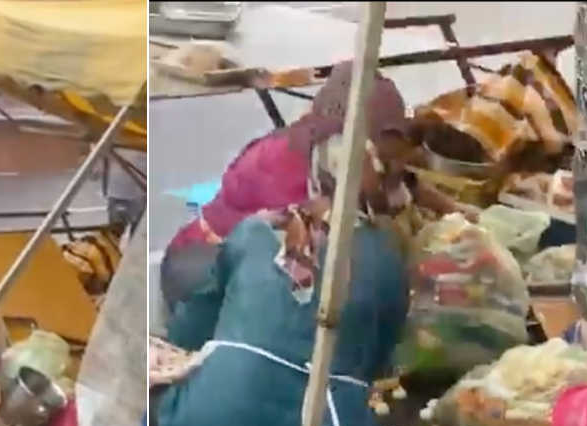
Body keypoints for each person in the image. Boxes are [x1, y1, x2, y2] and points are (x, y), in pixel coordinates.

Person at [148, 61, 429, 426]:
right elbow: (380, 363)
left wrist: (209, 356)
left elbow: (192, 331)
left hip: (220, 418)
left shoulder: (261, 229)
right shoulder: (386, 255)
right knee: (321, 422)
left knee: (164, 413)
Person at [159, 61, 464, 313]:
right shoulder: (286, 175)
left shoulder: (337, 153)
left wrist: (462, 216)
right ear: (352, 142)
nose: (390, 168)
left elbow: (403, 183)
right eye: (382, 158)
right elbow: (319, 268)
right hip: (203, 269)